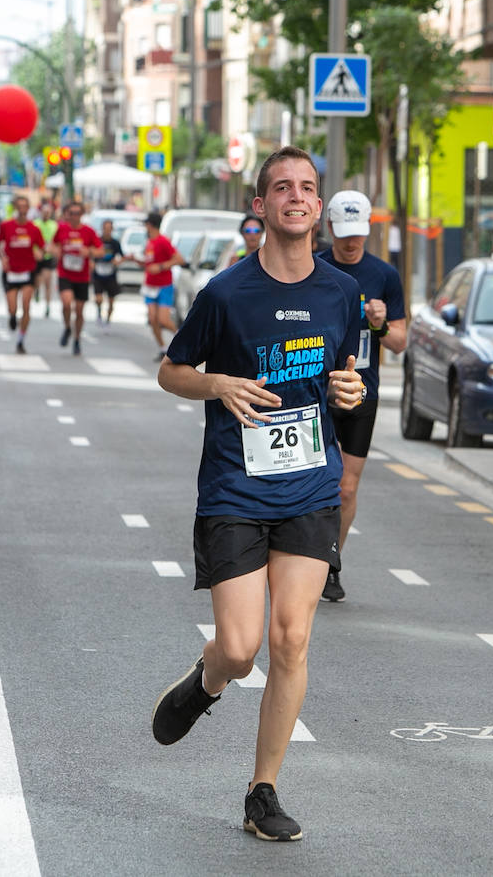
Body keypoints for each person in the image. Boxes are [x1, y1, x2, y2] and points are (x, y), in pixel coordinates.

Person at [150, 146, 364, 842]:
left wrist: (349, 389)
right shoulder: (226, 294)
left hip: (309, 483)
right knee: (242, 649)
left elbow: (344, 374)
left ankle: (262, 792)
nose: (296, 198)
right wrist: (217, 384)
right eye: (282, 188)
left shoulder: (340, 293)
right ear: (262, 206)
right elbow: (171, 370)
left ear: (317, 204)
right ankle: (206, 682)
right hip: (235, 489)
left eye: (307, 188)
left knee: (291, 638)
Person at [316, 190, 408, 602]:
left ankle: (331, 563)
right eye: (344, 235)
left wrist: (383, 324)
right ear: (330, 227)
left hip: (360, 390)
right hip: (314, 386)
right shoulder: (313, 265)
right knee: (310, 478)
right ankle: (299, 559)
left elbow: (402, 341)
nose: (352, 243)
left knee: (346, 489)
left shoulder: (384, 275)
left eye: (359, 235)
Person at [49, 200, 103, 356]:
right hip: (65, 273)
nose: (74, 216)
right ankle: (67, 327)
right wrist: (55, 251)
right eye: (71, 213)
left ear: (82, 215)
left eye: (77, 213)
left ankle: (77, 339)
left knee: (79, 311)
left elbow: (101, 251)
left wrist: (89, 252)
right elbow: (51, 245)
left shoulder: (89, 231)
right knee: (66, 304)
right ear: (67, 214)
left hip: (82, 276)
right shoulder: (62, 229)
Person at [0, 195, 45, 353]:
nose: (22, 209)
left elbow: (42, 248)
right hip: (11, 271)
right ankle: (11, 316)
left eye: (25, 206)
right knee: (12, 307)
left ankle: (21, 339)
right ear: (16, 208)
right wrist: (2, 258)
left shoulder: (34, 228)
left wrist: (40, 254)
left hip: (28, 270)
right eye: (20, 206)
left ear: (28, 208)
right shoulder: (6, 226)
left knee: (26, 305)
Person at [140, 212, 185, 361]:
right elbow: (148, 264)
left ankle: (185, 339)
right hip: (150, 286)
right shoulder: (149, 242)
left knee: (163, 320)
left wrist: (160, 267)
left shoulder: (162, 241)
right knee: (152, 319)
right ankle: (162, 348)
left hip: (164, 285)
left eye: (146, 224)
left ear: (150, 225)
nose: (145, 227)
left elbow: (179, 259)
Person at [91, 219, 124, 325]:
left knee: (111, 301)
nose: (107, 231)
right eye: (105, 229)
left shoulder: (115, 243)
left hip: (110, 274)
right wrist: (91, 262)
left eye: (109, 229)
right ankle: (99, 312)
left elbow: (122, 256)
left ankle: (108, 319)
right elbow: (91, 252)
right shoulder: (97, 241)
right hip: (98, 273)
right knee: (99, 298)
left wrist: (117, 261)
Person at [31, 200, 59, 316]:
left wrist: (53, 250)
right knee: (38, 281)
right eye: (44, 212)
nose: (46, 214)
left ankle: (47, 306)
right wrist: (35, 251)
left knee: (48, 280)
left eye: (48, 212)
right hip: (37, 256)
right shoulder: (35, 224)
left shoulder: (54, 225)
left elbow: (57, 241)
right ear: (41, 212)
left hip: (48, 256)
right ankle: (37, 290)